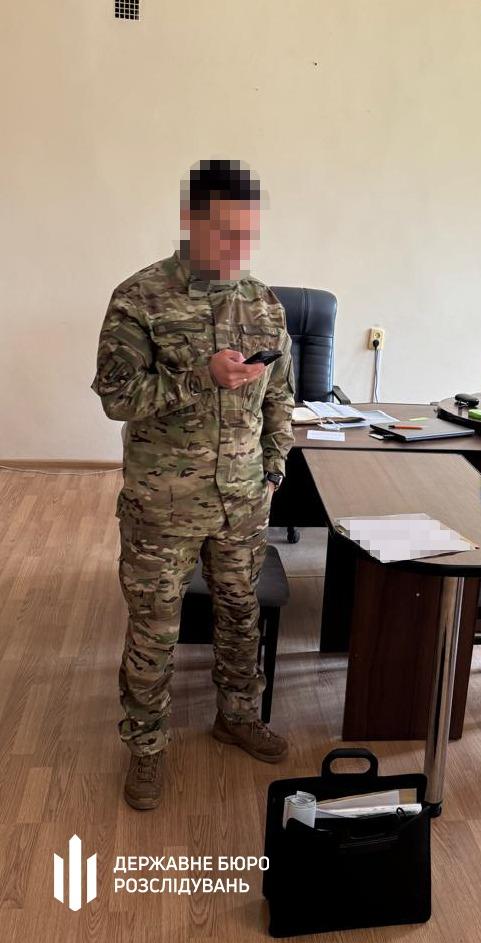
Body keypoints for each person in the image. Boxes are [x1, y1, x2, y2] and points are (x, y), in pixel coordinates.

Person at [92, 159, 295, 809]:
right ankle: (146, 748)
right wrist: (199, 377)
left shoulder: (263, 303)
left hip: (243, 500)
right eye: (224, 232)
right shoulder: (140, 298)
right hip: (164, 505)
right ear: (190, 220)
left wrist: (274, 467)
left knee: (240, 614)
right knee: (155, 629)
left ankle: (237, 715)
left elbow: (280, 398)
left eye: (246, 233)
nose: (236, 248)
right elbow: (118, 398)